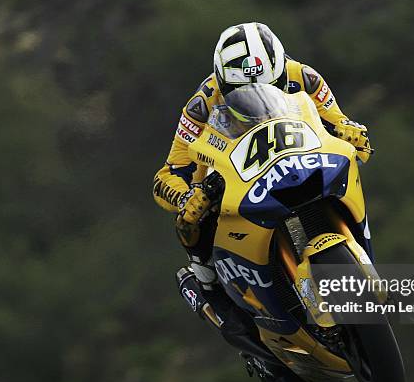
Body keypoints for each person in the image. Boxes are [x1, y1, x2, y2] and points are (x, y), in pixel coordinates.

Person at [152, 22, 372, 329]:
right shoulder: (201, 107)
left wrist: (353, 133)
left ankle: (354, 245)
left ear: (281, 69)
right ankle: (212, 291)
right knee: (190, 220)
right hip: (233, 176)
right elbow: (167, 176)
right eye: (241, 91)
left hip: (298, 157)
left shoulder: (303, 77)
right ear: (223, 82)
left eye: (272, 84)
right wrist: (186, 195)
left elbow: (338, 123)